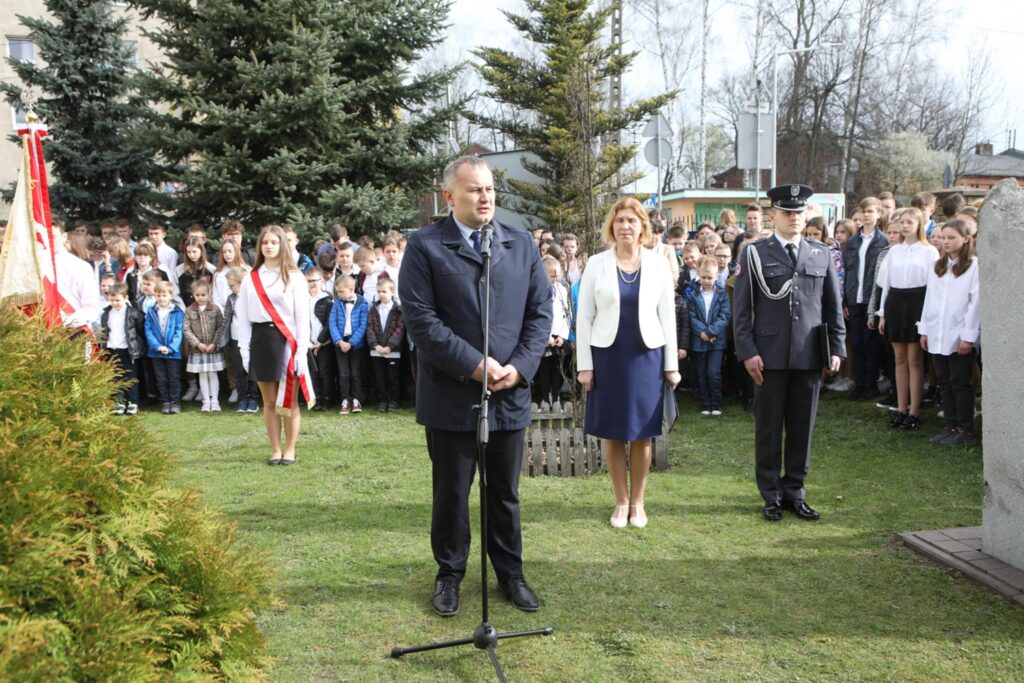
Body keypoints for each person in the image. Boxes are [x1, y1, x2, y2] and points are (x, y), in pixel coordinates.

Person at [398, 155, 552, 617]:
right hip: (451, 394)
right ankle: (449, 575)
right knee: (451, 492)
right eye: (474, 190)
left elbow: (540, 313)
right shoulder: (425, 246)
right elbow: (421, 320)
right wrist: (474, 366)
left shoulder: (519, 243)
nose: (485, 197)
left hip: (508, 392)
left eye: (489, 189)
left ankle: (510, 574)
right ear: (449, 196)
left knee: (504, 492)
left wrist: (519, 368)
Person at [733, 184, 845, 522]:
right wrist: (747, 351)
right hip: (768, 355)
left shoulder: (820, 253)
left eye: (798, 212)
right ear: (774, 215)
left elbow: (832, 306)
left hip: (809, 354)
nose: (794, 217)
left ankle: (795, 491)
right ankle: (771, 494)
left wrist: (836, 347)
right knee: (768, 429)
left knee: (802, 428)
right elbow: (742, 310)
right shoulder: (754, 253)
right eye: (786, 212)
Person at [576, 196, 679, 530]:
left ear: (642, 227)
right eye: (619, 220)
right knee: (613, 432)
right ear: (612, 225)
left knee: (642, 433)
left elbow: (668, 316)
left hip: (647, 357)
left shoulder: (658, 264)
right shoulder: (596, 264)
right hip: (608, 357)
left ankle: (638, 502)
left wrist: (671, 365)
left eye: (632, 221)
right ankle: (621, 501)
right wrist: (584, 365)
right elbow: (584, 317)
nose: (625, 226)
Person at [235, 225, 315, 465]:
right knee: (269, 402)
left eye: (273, 242)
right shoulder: (250, 278)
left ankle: (290, 450)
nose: (268, 246)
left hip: (288, 341)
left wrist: (301, 352)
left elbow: (302, 318)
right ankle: (275, 450)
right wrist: (245, 351)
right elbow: (243, 318)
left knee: (289, 401)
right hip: (261, 341)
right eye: (265, 242)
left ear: (283, 245)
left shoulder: (295, 276)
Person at [877, 207, 940, 431]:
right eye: (902, 222)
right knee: (899, 359)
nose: (904, 226)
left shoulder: (929, 251)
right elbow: (886, 284)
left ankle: (914, 411)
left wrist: (926, 318)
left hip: (917, 303)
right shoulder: (894, 251)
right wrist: (882, 313)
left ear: (919, 224)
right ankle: (901, 408)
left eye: (909, 222)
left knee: (914, 359)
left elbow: (932, 287)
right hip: (895, 303)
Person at [919, 219, 979, 446]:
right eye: (943, 237)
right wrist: (925, 330)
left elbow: (974, 303)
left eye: (951, 237)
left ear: (966, 238)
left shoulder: (973, 266)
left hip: (958, 334)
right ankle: (951, 426)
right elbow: (929, 298)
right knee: (944, 381)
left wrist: (968, 336)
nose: (945, 241)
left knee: (960, 382)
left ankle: (965, 429)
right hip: (937, 331)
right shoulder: (938, 266)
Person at [842, 197, 888, 401]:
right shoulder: (853, 242)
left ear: (878, 214)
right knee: (857, 342)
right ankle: (859, 382)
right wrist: (845, 301)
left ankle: (870, 384)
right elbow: (848, 271)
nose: (866, 215)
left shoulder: (883, 241)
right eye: (863, 211)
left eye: (870, 211)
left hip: (871, 298)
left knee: (870, 343)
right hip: (854, 298)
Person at [688, 256, 730, 416]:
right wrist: (702, 332)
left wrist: (711, 332)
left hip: (716, 341)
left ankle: (716, 404)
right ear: (699, 275)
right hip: (699, 340)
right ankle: (705, 403)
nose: (706, 281)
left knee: (714, 372)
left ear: (716, 277)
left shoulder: (722, 295)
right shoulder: (693, 295)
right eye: (703, 277)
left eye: (710, 277)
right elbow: (691, 317)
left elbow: (724, 316)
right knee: (701, 372)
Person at [96, 283, 147, 415]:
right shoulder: (106, 313)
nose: (115, 303)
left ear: (126, 298)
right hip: (112, 349)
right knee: (115, 377)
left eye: (118, 300)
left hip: (127, 350)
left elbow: (140, 332)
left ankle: (132, 402)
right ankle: (119, 402)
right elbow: (103, 330)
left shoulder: (133, 313)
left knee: (130, 377)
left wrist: (139, 347)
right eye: (112, 300)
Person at [219, 266, 260, 414]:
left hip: (251, 338)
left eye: (232, 285)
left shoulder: (253, 296)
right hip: (235, 337)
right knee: (239, 370)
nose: (230, 288)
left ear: (242, 282)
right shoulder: (231, 298)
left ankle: (253, 399)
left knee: (252, 368)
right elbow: (226, 319)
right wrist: (220, 340)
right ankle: (242, 398)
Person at [183, 280, 226, 412]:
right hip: (198, 350)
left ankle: (215, 401)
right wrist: (197, 343)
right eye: (197, 295)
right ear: (193, 295)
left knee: (212, 374)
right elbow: (186, 329)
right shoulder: (189, 310)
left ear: (208, 294)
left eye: (203, 295)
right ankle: (206, 401)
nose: (200, 298)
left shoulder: (215, 309)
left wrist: (214, 343)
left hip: (212, 348)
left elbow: (221, 327)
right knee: (202, 374)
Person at [533, 255, 570, 408]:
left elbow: (567, 314)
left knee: (557, 368)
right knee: (544, 368)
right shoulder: (538, 290)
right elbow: (537, 314)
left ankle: (555, 398)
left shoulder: (562, 290)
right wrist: (546, 336)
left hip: (558, 336)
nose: (555, 279)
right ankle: (544, 399)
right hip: (544, 335)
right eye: (552, 276)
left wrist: (562, 335)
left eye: (557, 276)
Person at [329, 274, 368, 414]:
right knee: (343, 373)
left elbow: (363, 325)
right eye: (337, 292)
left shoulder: (363, 304)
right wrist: (339, 341)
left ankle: (356, 399)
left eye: (341, 291)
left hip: (356, 344)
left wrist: (351, 343)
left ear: (351, 289)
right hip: (340, 343)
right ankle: (345, 399)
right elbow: (332, 323)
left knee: (355, 373)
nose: (339, 294)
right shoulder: (337, 304)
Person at [144, 282, 185, 414]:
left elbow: (179, 331)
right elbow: (148, 330)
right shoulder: (151, 312)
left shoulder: (177, 312)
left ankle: (175, 402)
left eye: (164, 295)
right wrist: (157, 346)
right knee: (161, 379)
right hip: (156, 352)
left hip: (172, 352)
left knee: (174, 378)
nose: (161, 298)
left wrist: (171, 348)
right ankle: (165, 402)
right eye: (158, 295)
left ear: (171, 295)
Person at [366, 277, 405, 412]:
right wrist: (375, 345)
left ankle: (394, 401)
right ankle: (382, 400)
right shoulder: (373, 309)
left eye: (384, 291)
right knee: (380, 377)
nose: (381, 294)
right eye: (379, 291)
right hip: (376, 350)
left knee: (393, 377)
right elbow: (370, 328)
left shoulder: (398, 310)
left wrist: (390, 346)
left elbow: (399, 329)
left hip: (392, 351)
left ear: (392, 292)